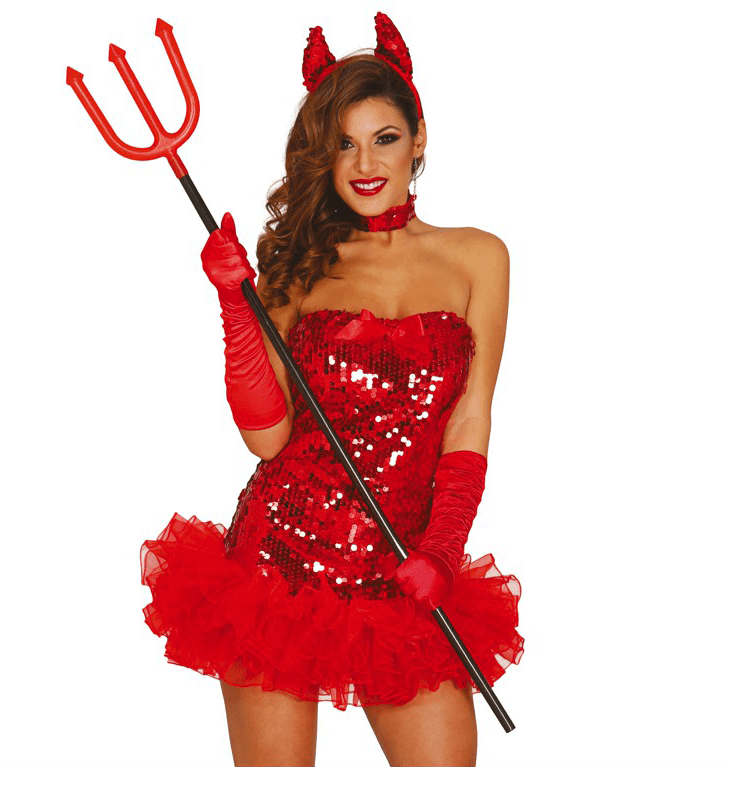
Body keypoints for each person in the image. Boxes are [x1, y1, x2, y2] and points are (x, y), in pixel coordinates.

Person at [140, 12, 523, 767]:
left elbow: (470, 416)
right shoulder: (299, 263)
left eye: (384, 138)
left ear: (418, 139)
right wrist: (235, 306)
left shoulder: (479, 258)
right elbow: (266, 438)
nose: (364, 163)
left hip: (406, 569)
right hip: (278, 567)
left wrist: (444, 549)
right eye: (343, 143)